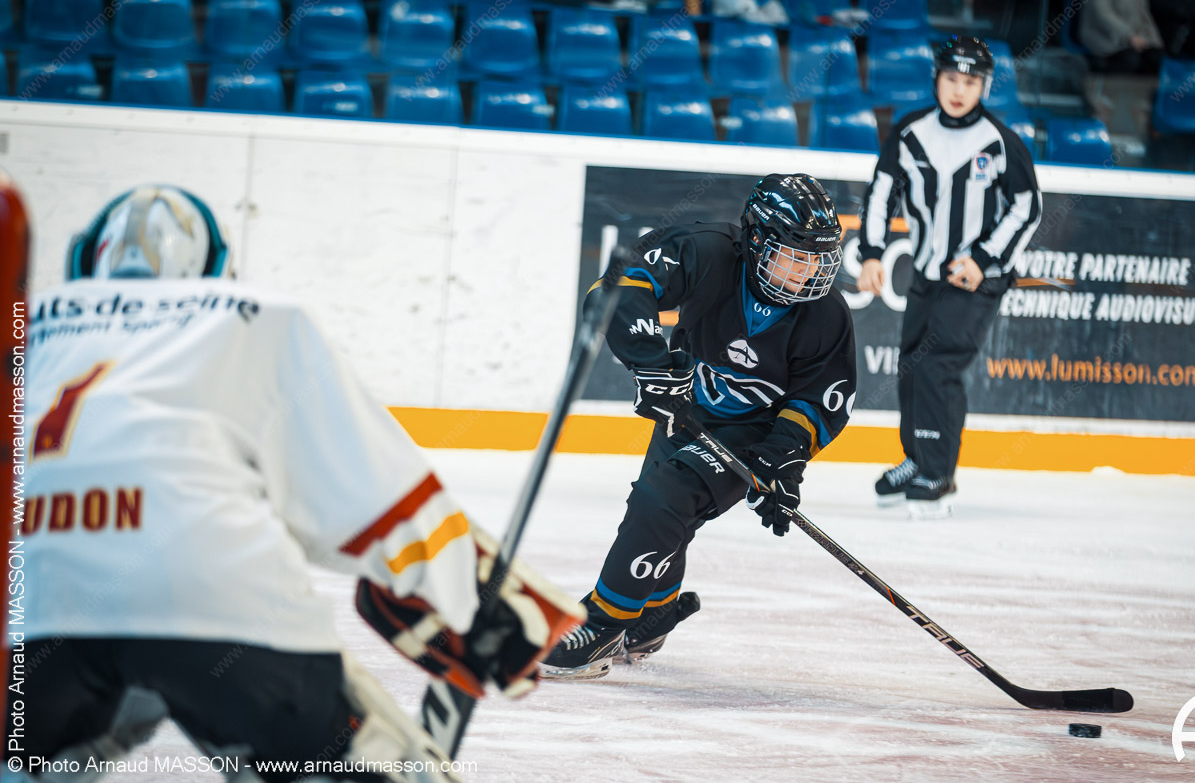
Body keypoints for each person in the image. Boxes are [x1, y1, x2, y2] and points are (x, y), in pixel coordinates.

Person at [12, 185, 583, 782]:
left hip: (35, 610)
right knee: (372, 763)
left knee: (26, 764)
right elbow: (376, 497)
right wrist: (475, 598)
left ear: (83, 260)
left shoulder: (29, 329)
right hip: (217, 606)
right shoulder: (255, 317)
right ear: (218, 267)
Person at [540, 174, 858, 679]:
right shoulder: (706, 251)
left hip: (753, 432)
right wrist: (651, 364)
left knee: (660, 502)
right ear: (757, 240)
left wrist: (783, 457)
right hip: (686, 405)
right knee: (663, 516)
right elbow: (619, 287)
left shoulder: (826, 316)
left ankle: (601, 625)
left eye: (816, 260)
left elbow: (820, 399)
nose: (806, 273)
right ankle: (654, 614)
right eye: (794, 256)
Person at [857, 36, 1042, 520]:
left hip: (977, 279)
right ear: (936, 79)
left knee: (938, 366)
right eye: (952, 79)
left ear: (985, 87)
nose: (960, 91)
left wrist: (982, 258)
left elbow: (1027, 207)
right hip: (926, 272)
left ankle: (939, 471)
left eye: (971, 82)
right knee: (912, 367)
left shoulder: (1000, 141)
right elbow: (881, 194)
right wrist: (872, 254)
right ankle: (916, 459)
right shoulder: (910, 132)